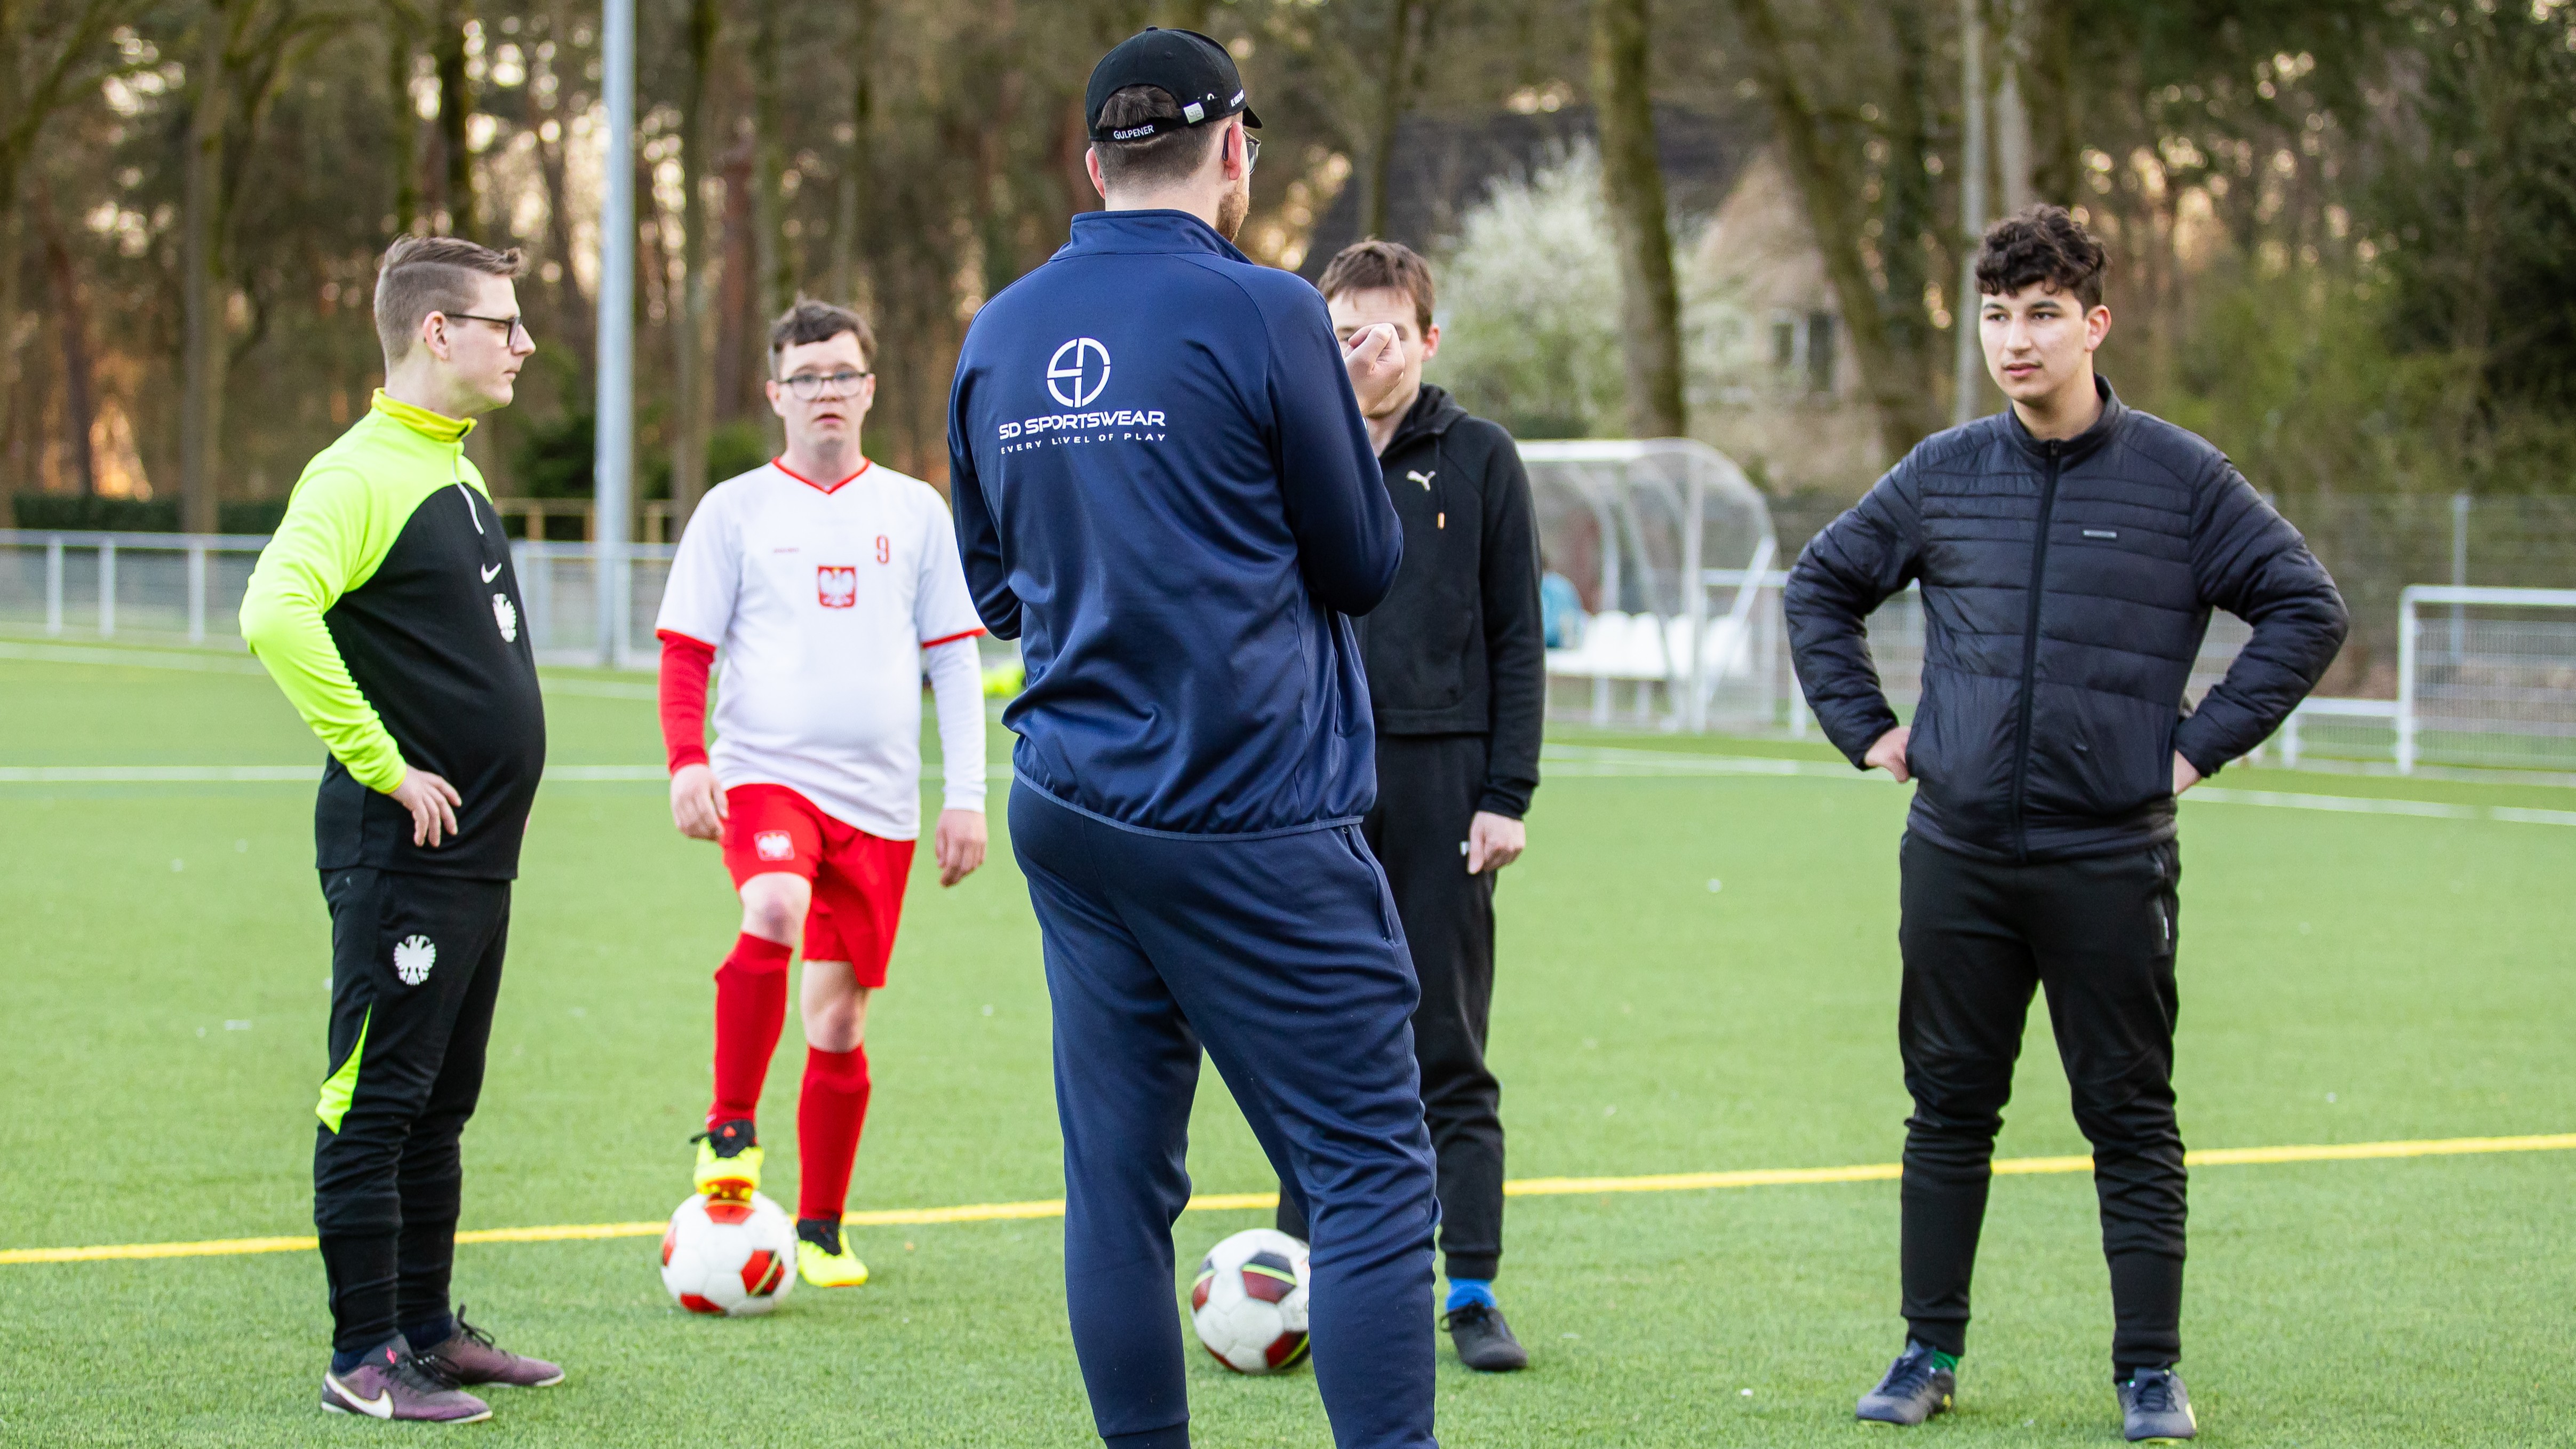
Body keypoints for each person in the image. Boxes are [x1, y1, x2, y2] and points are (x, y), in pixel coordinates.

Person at [1784, 205, 2348, 1444]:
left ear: (2096, 323)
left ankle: (2150, 1371)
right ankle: (1927, 1349)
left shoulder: (2182, 479)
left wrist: (2194, 746)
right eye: (1996, 315)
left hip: (2111, 856)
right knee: (1948, 1108)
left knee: (2131, 1115)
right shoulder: (1943, 471)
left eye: (2041, 313)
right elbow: (1819, 582)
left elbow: (2307, 608)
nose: (2015, 339)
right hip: (1959, 853)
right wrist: (1867, 726)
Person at [947, 28, 1435, 1449]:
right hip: (1248, 811)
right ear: (1236, 153)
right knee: (1368, 1172)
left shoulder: (998, 330)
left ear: (1090, 163)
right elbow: (1356, 560)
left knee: (1114, 1186)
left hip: (1072, 804)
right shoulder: (1268, 310)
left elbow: (993, 589)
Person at [240, 235, 562, 1424]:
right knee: (373, 1099)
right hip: (404, 854)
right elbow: (274, 609)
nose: (523, 342)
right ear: (439, 332)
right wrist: (383, 765)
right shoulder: (359, 471)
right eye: (504, 323)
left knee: (441, 1099)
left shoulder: (455, 469)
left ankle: (426, 1329)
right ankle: (361, 1353)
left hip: (477, 858)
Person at [655, 300, 988, 1289]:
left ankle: (821, 1227)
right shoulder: (735, 510)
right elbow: (685, 654)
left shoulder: (917, 511)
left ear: (870, 389)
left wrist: (964, 795)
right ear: (775, 395)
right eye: (807, 378)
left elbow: (955, 664)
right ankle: (729, 1128)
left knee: (838, 1023)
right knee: (772, 902)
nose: (827, 392)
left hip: (880, 809)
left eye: (843, 374)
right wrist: (688, 760)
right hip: (766, 777)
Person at [1270, 240, 1544, 1373]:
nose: (1361, 348)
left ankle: (1470, 1286)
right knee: (1310, 1034)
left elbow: (1517, 637)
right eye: (1340, 330)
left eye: (1383, 329)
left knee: (1445, 1040)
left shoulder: (1479, 458)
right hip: (1314, 784)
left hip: (1443, 787)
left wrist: (1506, 794)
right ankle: (1297, 1271)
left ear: (1427, 340)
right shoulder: (1290, 453)